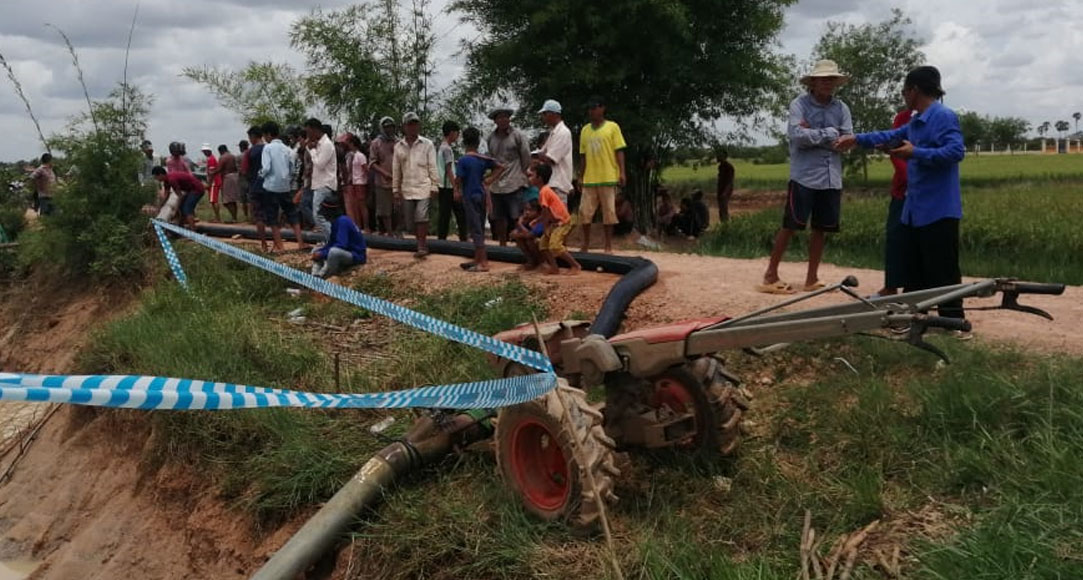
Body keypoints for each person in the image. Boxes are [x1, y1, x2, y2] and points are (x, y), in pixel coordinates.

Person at [836, 65, 967, 324]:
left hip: (939, 208)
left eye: (904, 91)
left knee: (943, 270)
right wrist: (857, 139)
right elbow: (892, 135)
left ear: (914, 90)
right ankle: (915, 320)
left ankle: (954, 323)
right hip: (916, 209)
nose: (904, 96)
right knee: (915, 268)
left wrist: (915, 153)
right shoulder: (916, 120)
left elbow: (955, 152)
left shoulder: (943, 116)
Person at [760, 59, 852, 295]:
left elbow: (846, 141)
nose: (827, 83)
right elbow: (797, 136)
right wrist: (829, 134)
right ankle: (770, 274)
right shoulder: (798, 104)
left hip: (830, 177)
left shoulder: (841, 108)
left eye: (831, 79)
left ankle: (812, 278)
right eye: (823, 79)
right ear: (813, 82)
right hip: (804, 176)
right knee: (791, 225)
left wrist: (814, 134)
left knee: (821, 228)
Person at [871, 109, 914, 298]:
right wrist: (908, 177)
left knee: (918, 241)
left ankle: (914, 288)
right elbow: (895, 151)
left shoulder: (938, 118)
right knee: (896, 237)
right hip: (902, 191)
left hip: (925, 192)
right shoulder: (903, 118)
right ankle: (891, 286)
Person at [578, 96, 627, 254]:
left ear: (602, 108)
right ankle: (585, 244)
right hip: (590, 178)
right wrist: (581, 176)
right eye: (590, 108)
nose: (591, 111)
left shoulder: (612, 127)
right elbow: (583, 156)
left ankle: (608, 246)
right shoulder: (585, 130)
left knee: (609, 213)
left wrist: (622, 172)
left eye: (594, 108)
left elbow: (619, 150)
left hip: (608, 176)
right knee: (585, 212)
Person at [454, 127, 505, 272]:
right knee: (480, 227)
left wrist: (456, 191)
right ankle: (478, 258)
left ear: (464, 142)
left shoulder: (463, 160)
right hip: (482, 195)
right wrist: (489, 179)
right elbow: (501, 167)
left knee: (475, 229)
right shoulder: (482, 159)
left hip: (470, 196)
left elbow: (459, 179)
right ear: (478, 142)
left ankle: (483, 262)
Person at [393, 112, 440, 258]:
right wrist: (395, 189)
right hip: (407, 188)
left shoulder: (427, 144)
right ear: (404, 127)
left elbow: (433, 166)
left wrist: (434, 185)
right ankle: (419, 241)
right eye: (410, 124)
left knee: (421, 216)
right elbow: (396, 170)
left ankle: (422, 246)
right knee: (410, 223)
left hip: (423, 186)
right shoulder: (398, 147)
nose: (413, 127)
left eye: (415, 124)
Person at [259, 121, 308, 253]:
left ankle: (280, 246)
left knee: (272, 217)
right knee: (292, 214)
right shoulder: (288, 149)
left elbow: (266, 167)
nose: (264, 138)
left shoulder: (268, 148)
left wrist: (260, 174)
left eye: (264, 135)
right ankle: (301, 243)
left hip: (271, 186)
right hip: (285, 186)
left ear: (269, 134)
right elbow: (292, 169)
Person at [486, 108, 531, 246]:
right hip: (497, 184)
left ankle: (520, 245)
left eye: (506, 117)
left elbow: (526, 156)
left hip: (514, 181)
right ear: (495, 121)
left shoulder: (517, 136)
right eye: (500, 117)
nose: (503, 120)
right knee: (499, 217)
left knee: (517, 216)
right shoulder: (491, 138)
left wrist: (522, 173)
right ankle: (502, 244)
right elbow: (492, 159)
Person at [531, 163, 581, 275]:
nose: (530, 178)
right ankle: (554, 267)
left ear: (539, 178)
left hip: (562, 222)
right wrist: (538, 220)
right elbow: (547, 211)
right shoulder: (544, 190)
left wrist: (544, 227)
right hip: (555, 222)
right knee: (543, 244)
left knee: (555, 245)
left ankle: (575, 265)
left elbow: (546, 211)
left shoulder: (544, 191)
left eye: (533, 175)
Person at [310, 193, 366, 278]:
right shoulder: (336, 222)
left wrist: (322, 254)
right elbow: (332, 242)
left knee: (333, 252)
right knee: (316, 250)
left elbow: (341, 245)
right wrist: (320, 252)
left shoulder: (342, 222)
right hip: (346, 251)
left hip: (356, 255)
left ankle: (327, 275)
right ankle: (314, 275)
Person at [305, 118, 338, 241]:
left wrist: (312, 150)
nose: (308, 136)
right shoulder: (319, 144)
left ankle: (333, 241)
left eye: (308, 132)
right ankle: (328, 241)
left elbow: (320, 164)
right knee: (322, 216)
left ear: (315, 130)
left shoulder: (326, 145)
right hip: (319, 184)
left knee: (318, 216)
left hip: (325, 184)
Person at [537, 99, 574, 205]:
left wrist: (541, 156)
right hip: (552, 183)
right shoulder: (554, 132)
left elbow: (551, 159)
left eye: (545, 114)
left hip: (559, 183)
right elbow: (542, 152)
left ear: (554, 114)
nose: (543, 117)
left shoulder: (563, 132)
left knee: (558, 213)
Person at [436, 120, 466, 241]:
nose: (457, 136)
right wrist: (455, 188)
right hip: (448, 186)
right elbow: (449, 169)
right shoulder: (447, 149)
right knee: (458, 213)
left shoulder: (441, 148)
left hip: (443, 185)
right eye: (457, 133)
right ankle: (463, 237)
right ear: (452, 133)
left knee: (445, 214)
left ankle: (442, 238)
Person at [370, 116, 398, 237]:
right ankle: (389, 232)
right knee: (384, 209)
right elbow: (372, 163)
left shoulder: (398, 142)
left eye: (391, 127)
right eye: (386, 127)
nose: (389, 129)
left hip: (397, 180)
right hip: (382, 181)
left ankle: (397, 231)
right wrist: (384, 173)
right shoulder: (376, 143)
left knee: (397, 208)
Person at [343, 134, 369, 232]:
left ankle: (366, 227)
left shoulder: (360, 156)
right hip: (354, 182)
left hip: (360, 182)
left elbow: (366, 169)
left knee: (362, 205)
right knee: (356, 206)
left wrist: (365, 179)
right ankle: (358, 225)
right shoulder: (351, 155)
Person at [510, 199, 544, 270]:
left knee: (531, 241)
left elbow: (530, 235)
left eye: (531, 210)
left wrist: (520, 224)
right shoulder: (526, 220)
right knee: (520, 239)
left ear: (538, 212)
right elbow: (512, 234)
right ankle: (531, 262)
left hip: (545, 246)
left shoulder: (540, 221)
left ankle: (541, 262)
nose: (527, 212)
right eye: (526, 209)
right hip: (531, 238)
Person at [245, 126, 266, 226]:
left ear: (253, 136)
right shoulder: (269, 149)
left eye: (249, 138)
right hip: (270, 186)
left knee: (259, 216)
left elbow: (245, 170)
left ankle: (262, 236)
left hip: (255, 186)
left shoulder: (250, 151)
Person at [216, 145, 240, 223]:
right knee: (233, 200)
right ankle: (234, 218)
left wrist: (212, 172)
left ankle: (234, 218)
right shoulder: (233, 156)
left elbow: (219, 169)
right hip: (235, 176)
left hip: (228, 178)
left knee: (227, 201)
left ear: (220, 151)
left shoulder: (223, 157)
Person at [201, 144, 222, 222]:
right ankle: (217, 217)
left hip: (213, 182)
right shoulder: (211, 158)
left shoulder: (211, 159)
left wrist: (209, 184)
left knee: (214, 200)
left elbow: (212, 173)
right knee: (213, 200)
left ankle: (218, 218)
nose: (204, 153)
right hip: (214, 181)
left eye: (204, 151)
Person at [716, 148, 735, 222]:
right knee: (721, 208)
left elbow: (730, 181)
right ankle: (724, 223)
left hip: (725, 190)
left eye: (719, 155)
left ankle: (725, 224)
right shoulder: (721, 166)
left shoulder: (729, 167)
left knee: (723, 208)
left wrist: (725, 192)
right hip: (721, 190)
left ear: (724, 156)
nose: (717, 157)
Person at [237, 139, 251, 222]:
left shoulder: (239, 157)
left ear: (241, 147)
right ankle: (252, 217)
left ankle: (246, 217)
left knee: (244, 200)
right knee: (251, 200)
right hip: (251, 179)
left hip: (242, 180)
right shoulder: (251, 154)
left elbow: (238, 169)